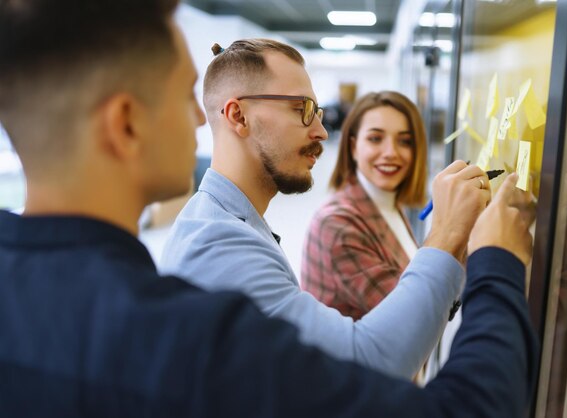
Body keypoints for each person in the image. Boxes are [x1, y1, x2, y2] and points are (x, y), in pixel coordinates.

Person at [0, 1, 538, 416]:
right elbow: (445, 398)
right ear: (126, 123)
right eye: (186, 95)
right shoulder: (183, 323)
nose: (196, 118)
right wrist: (490, 259)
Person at [160, 39, 493, 379]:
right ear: (238, 115)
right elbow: (370, 361)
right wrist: (448, 232)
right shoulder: (219, 246)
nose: (320, 131)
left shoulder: (229, 222)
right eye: (301, 109)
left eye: (316, 113)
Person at [301, 91, 430, 320]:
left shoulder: (387, 202)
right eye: (375, 139)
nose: (391, 153)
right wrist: (452, 227)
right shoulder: (337, 224)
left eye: (405, 141)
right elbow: (417, 313)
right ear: (353, 148)